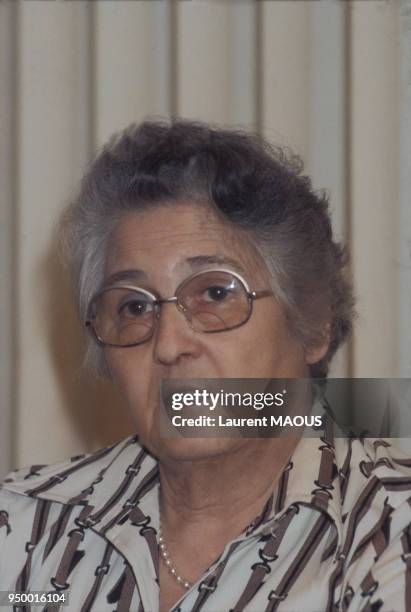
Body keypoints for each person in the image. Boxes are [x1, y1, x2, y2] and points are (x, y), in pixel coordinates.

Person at [1, 119, 410, 612]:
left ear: (314, 324)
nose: (170, 345)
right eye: (134, 307)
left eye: (216, 293)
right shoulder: (21, 527)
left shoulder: (390, 532)